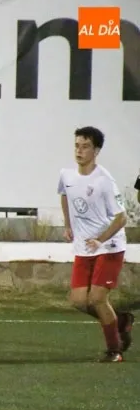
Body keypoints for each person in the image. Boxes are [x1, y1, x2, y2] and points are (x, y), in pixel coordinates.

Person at [59, 126, 133, 362]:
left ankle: (114, 350)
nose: (79, 151)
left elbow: (121, 218)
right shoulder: (67, 176)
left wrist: (100, 239)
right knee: (79, 301)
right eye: (77, 145)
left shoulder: (104, 180)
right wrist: (68, 225)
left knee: (98, 298)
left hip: (109, 246)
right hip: (84, 247)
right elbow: (64, 195)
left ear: (96, 150)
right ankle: (120, 321)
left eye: (86, 146)